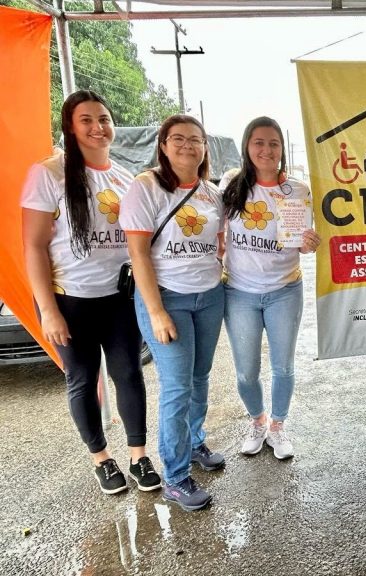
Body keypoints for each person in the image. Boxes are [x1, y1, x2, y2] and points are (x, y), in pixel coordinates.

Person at [21, 90, 160, 495]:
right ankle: (101, 459)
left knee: (129, 373)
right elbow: (32, 246)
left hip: (119, 298)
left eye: (104, 119)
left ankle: (138, 456)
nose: (98, 127)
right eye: (86, 120)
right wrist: (48, 310)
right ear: (70, 126)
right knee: (82, 379)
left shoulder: (124, 178)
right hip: (69, 299)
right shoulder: (48, 174)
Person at [120, 115, 226, 512]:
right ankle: (176, 477)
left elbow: (219, 243)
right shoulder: (145, 187)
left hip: (209, 296)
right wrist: (157, 312)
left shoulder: (211, 192)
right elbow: (138, 254)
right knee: (178, 387)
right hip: (167, 299)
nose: (187, 146)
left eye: (196, 139)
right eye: (178, 138)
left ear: (204, 148)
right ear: (163, 145)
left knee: (200, 376)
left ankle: (194, 442)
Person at [220, 117, 320, 460]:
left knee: (283, 366)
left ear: (282, 149)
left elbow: (302, 242)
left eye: (273, 143)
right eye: (259, 142)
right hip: (239, 292)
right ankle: (257, 421)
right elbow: (215, 231)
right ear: (247, 146)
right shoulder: (231, 184)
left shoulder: (298, 191)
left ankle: (277, 426)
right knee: (246, 371)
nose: (266, 150)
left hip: (285, 290)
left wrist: (308, 243)